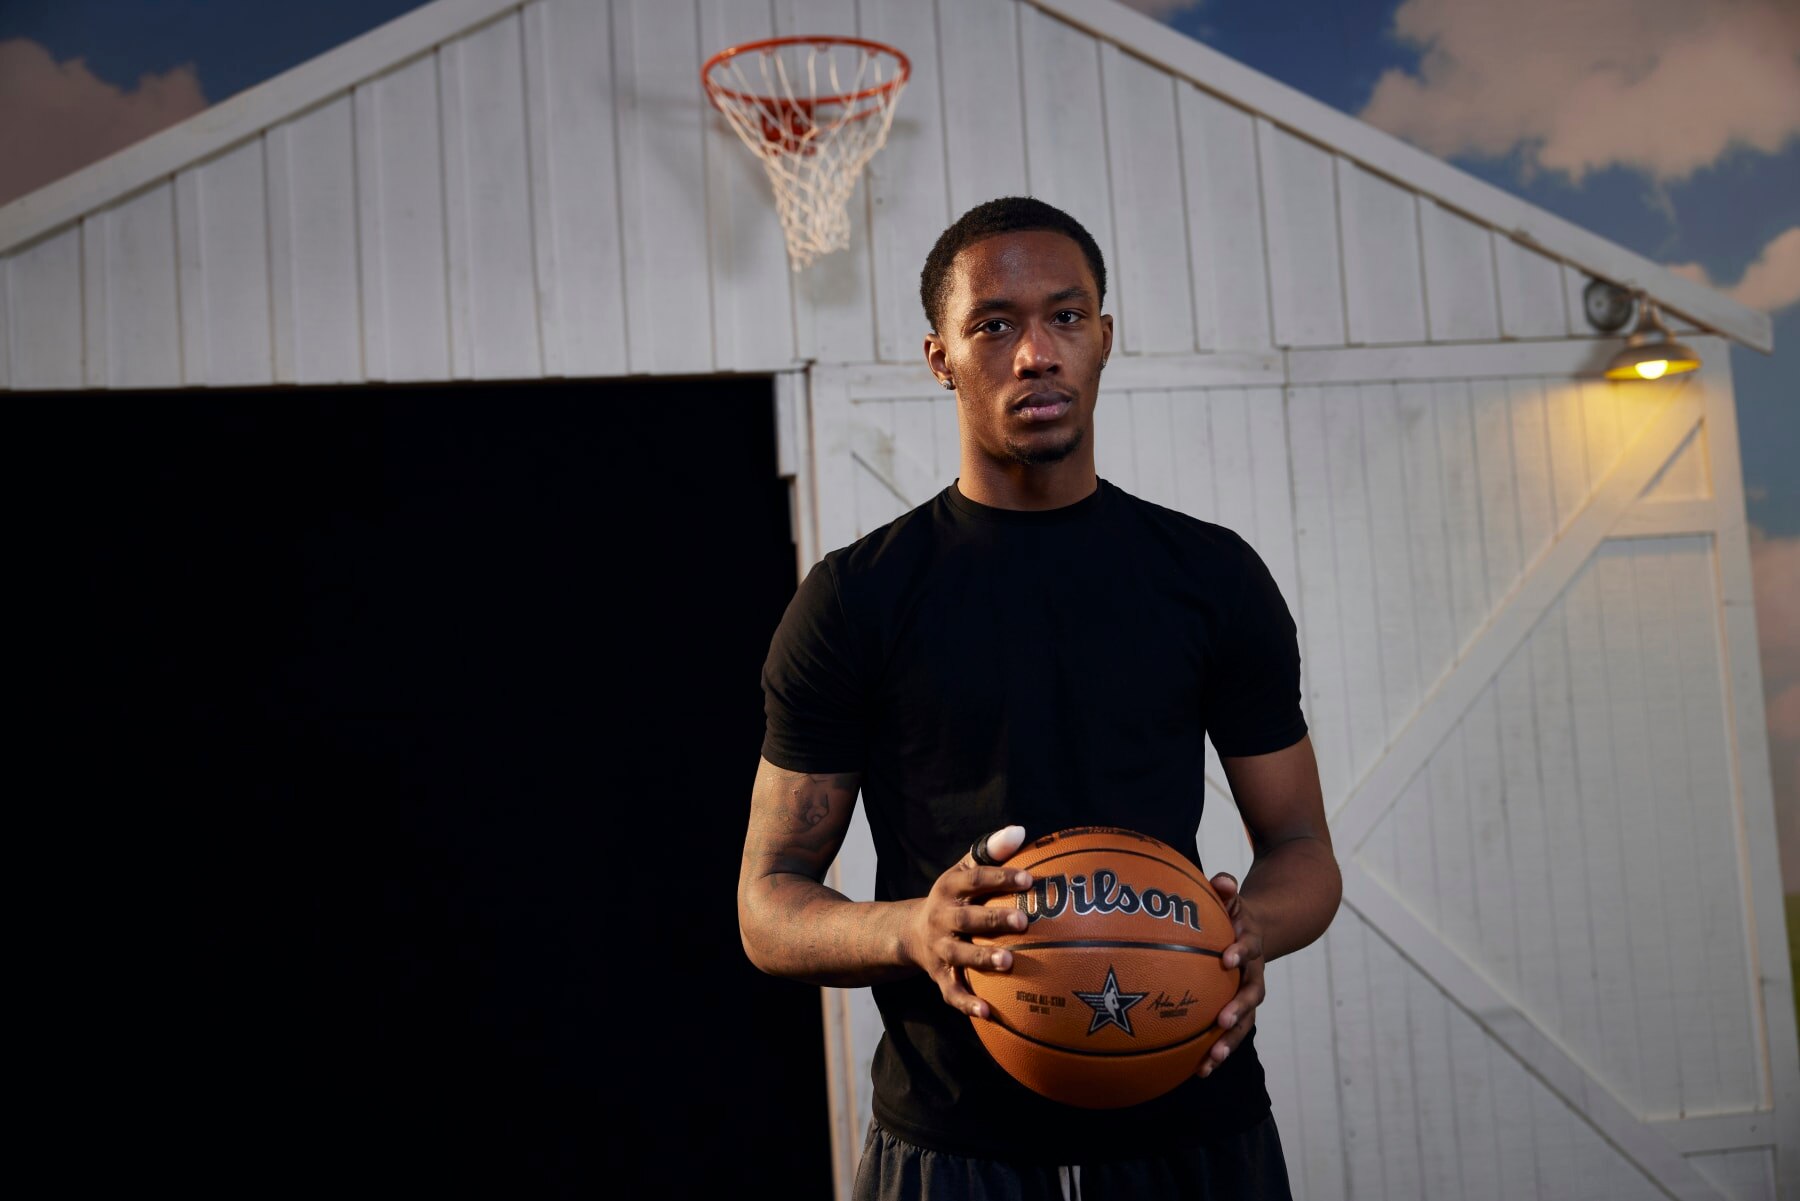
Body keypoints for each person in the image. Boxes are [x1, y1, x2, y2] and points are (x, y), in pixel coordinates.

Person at [739, 196, 1341, 1199]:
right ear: (940, 357)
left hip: (1191, 1115)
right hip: (950, 1139)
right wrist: (912, 930)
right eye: (993, 325)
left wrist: (1243, 934)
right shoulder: (854, 600)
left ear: (1103, 336)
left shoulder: (1211, 577)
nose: (1034, 353)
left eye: (1064, 316)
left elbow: (1304, 849)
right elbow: (768, 902)